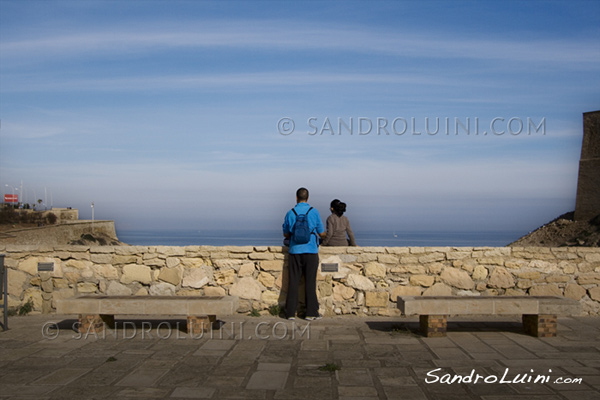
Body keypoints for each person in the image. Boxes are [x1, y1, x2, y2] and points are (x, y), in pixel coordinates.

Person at [282, 187, 326, 320]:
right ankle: (311, 313)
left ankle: (290, 313)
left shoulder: (291, 213)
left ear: (296, 198)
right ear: (308, 198)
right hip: (311, 251)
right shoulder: (314, 212)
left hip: (295, 251)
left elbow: (286, 233)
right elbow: (321, 232)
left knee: (293, 281)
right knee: (310, 282)